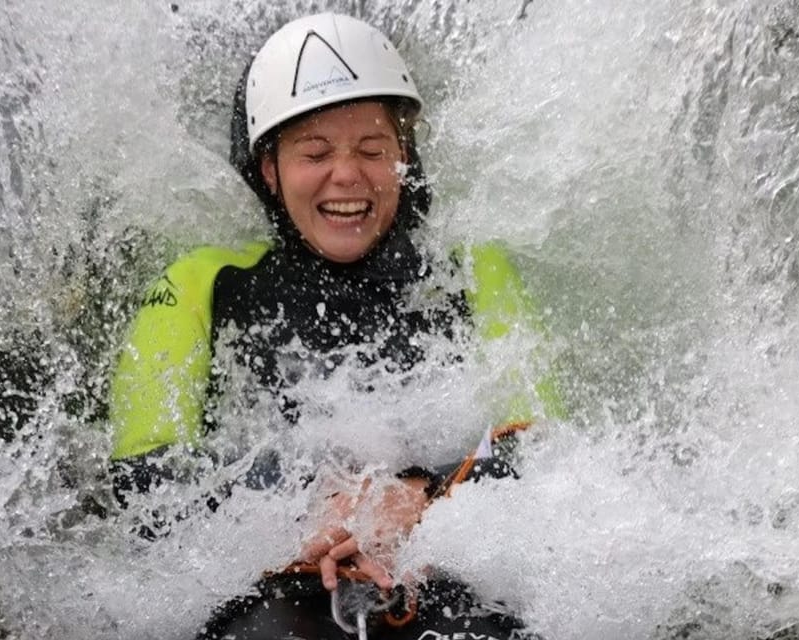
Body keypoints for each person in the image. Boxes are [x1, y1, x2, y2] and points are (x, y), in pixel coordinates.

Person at [108, 12, 562, 639]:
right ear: (270, 170)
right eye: (314, 152)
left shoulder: (472, 272)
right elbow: (145, 487)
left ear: (404, 159)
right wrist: (302, 511)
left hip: (441, 573)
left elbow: (542, 448)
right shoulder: (200, 286)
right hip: (280, 587)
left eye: (372, 150)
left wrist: (420, 497)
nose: (346, 175)